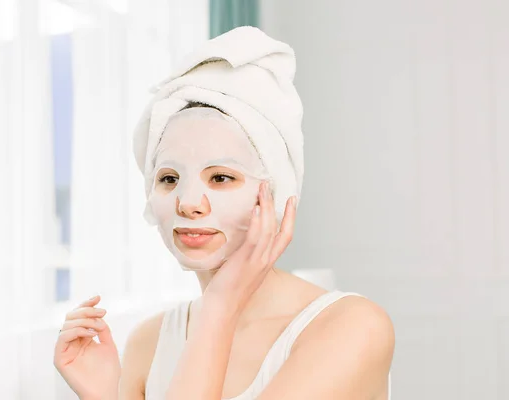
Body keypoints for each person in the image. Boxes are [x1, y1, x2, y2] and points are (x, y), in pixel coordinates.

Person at [54, 27, 395, 400]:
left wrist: (218, 306)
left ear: (275, 195)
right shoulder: (148, 343)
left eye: (220, 177)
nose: (188, 202)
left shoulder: (351, 327)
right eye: (169, 178)